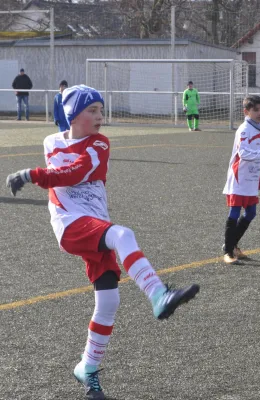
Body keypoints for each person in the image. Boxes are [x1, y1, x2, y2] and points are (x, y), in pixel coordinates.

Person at [5, 85, 200, 399]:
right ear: (73, 115)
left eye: (101, 110)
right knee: (123, 235)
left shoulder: (100, 143)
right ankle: (158, 294)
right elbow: (63, 173)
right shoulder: (51, 142)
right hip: (70, 225)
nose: (100, 117)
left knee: (109, 302)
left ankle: (87, 368)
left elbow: (77, 170)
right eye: (92, 111)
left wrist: (31, 174)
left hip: (95, 225)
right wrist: (37, 174)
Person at [222, 95, 260, 264]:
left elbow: (254, 156)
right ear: (246, 111)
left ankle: (232, 244)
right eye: (255, 110)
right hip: (239, 177)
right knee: (235, 212)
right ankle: (229, 252)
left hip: (250, 178)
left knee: (251, 213)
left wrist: (257, 175)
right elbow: (244, 154)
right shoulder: (244, 129)